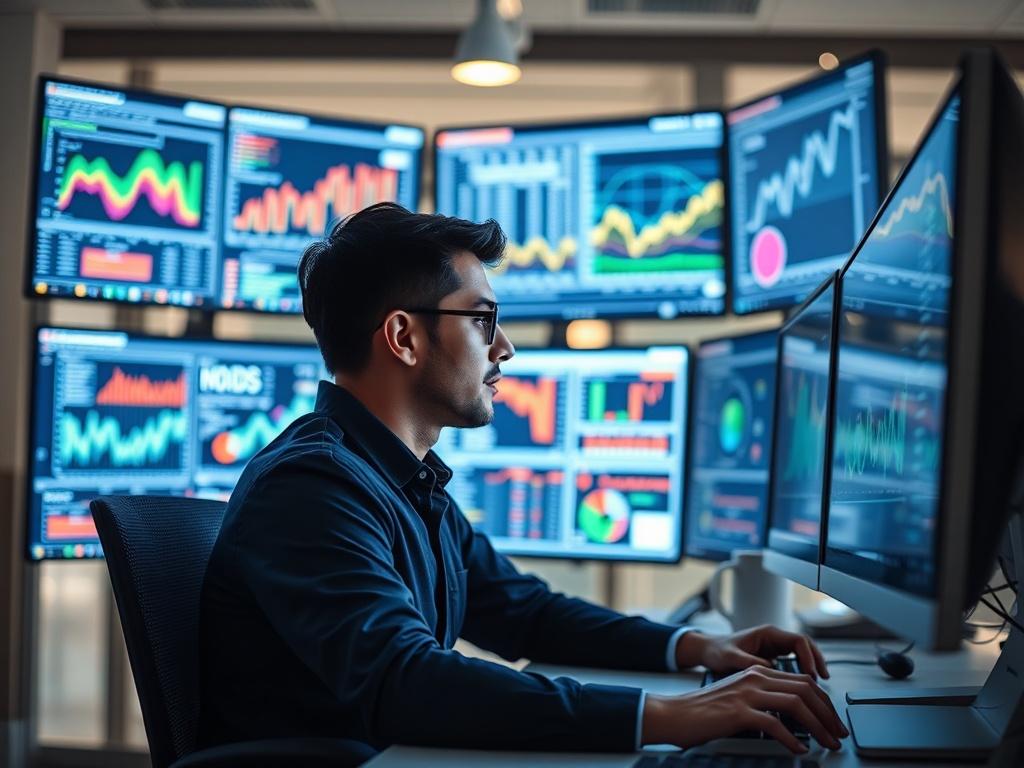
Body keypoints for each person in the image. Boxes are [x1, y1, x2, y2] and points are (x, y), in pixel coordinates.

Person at [198, 202, 848, 756]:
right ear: (403, 337)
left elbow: (525, 614)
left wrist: (699, 648)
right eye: (481, 320)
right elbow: (405, 683)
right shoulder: (313, 487)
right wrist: (673, 716)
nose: (504, 346)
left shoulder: (398, 480)